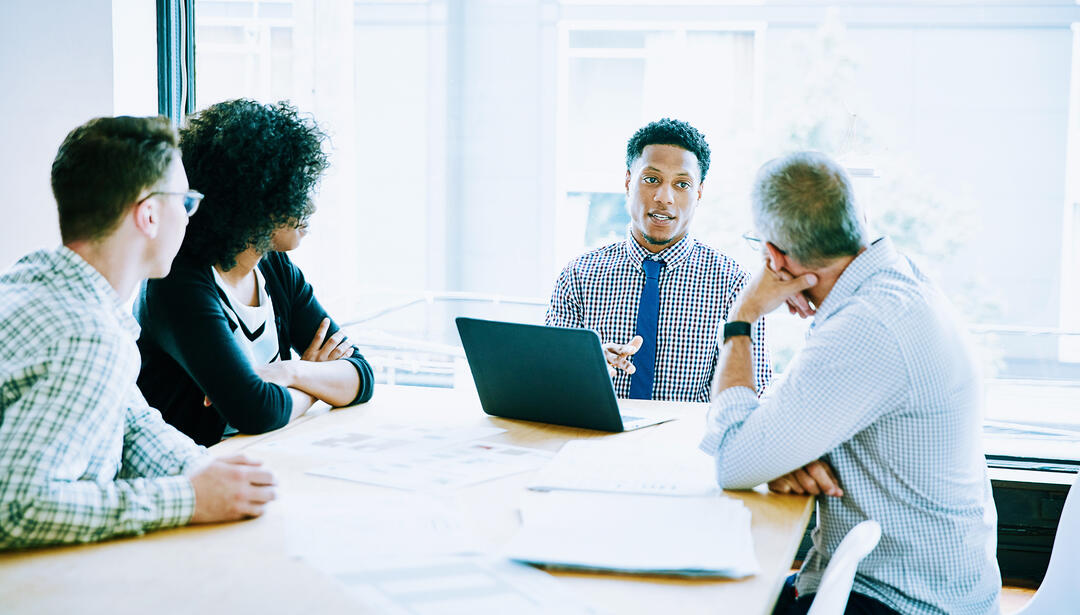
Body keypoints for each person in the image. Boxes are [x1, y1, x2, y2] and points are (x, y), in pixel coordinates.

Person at [701, 152, 1000, 614]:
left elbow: (733, 461)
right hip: (922, 582)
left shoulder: (866, 327)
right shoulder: (891, 280)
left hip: (904, 601)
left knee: (706, 602)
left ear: (774, 257)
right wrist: (778, 453)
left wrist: (742, 317)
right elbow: (767, 436)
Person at [0, 116, 278, 549]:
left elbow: (129, 421)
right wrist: (187, 500)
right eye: (185, 203)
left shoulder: (40, 283)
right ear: (148, 214)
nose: (189, 220)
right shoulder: (87, 336)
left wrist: (201, 471)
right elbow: (17, 509)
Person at [136, 100, 375, 447]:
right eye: (291, 191)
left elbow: (361, 375)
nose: (308, 206)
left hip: (262, 458)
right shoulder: (177, 284)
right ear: (249, 201)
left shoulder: (275, 268)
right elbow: (254, 410)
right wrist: (315, 386)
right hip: (197, 475)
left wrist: (291, 372)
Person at [546, 118, 771, 402]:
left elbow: (752, 392)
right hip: (593, 440)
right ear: (628, 182)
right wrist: (584, 367)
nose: (664, 197)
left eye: (682, 184)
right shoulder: (578, 276)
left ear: (699, 192)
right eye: (651, 179)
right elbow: (550, 382)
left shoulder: (733, 284)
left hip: (686, 444)